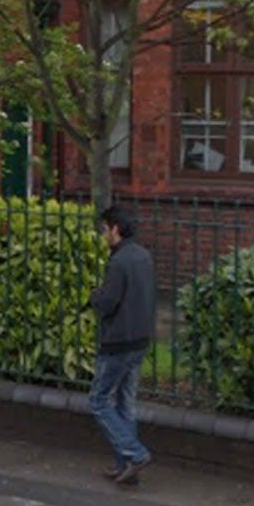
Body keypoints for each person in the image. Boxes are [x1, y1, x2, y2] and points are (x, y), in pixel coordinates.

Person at [89, 203, 155, 485]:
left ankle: (135, 453)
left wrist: (94, 296)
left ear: (115, 229)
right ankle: (125, 467)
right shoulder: (143, 256)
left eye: (105, 229)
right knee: (126, 404)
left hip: (118, 341)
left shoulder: (118, 261)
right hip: (140, 339)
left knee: (99, 401)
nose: (103, 234)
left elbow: (108, 303)